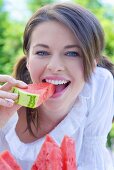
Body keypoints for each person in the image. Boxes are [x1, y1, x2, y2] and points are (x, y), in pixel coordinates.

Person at [0, 2, 114, 170]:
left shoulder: (98, 86)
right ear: (28, 61)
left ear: (93, 62)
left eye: (72, 53)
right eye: (42, 52)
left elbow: (93, 162)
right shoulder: (5, 109)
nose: (55, 66)